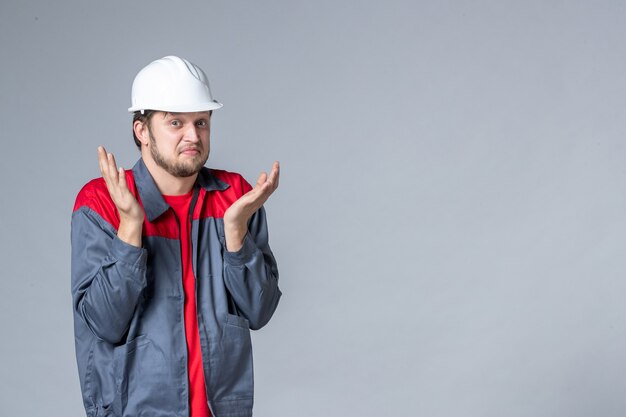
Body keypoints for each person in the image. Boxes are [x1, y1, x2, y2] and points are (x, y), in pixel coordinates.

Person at [70, 56, 281, 417]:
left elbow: (259, 311)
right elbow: (103, 323)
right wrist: (130, 231)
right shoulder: (101, 201)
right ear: (141, 130)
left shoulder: (235, 198)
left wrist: (235, 236)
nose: (193, 136)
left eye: (201, 122)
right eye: (175, 123)